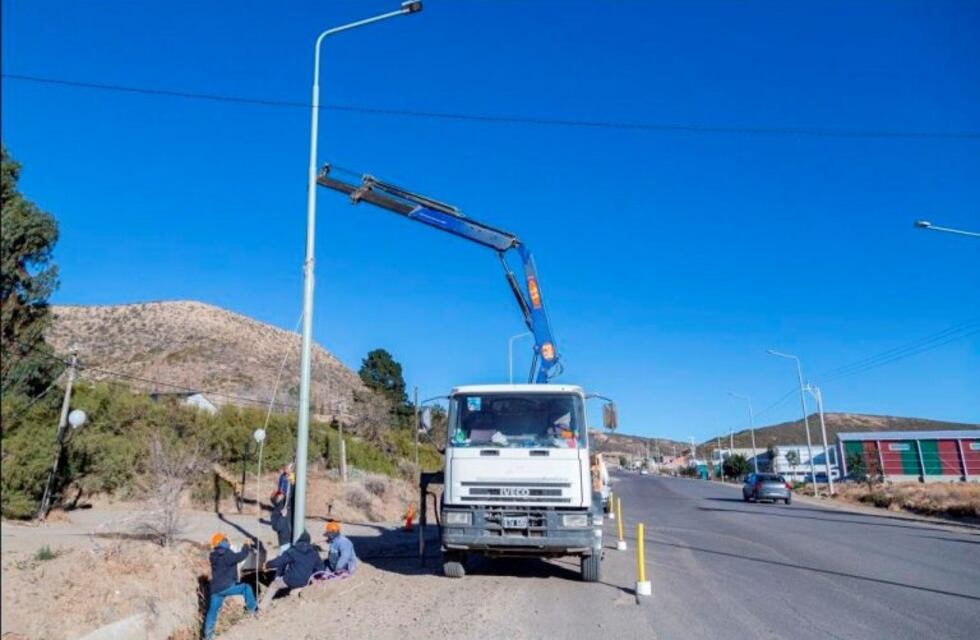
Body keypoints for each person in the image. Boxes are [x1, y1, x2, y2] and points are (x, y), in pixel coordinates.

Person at [204, 533, 257, 640]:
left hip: (215, 589)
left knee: (212, 612)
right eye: (225, 540)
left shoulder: (213, 555)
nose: (228, 541)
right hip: (226, 586)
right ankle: (253, 610)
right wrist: (246, 545)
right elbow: (241, 556)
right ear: (222, 543)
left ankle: (208, 636)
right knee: (246, 588)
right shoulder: (227, 555)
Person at [259, 530, 323, 609]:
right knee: (295, 586)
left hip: (291, 579)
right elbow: (320, 569)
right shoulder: (314, 553)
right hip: (306, 581)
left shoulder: (293, 551)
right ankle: (295, 592)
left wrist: (267, 565)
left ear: (299, 540)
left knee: (274, 585)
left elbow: (279, 561)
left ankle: (262, 607)